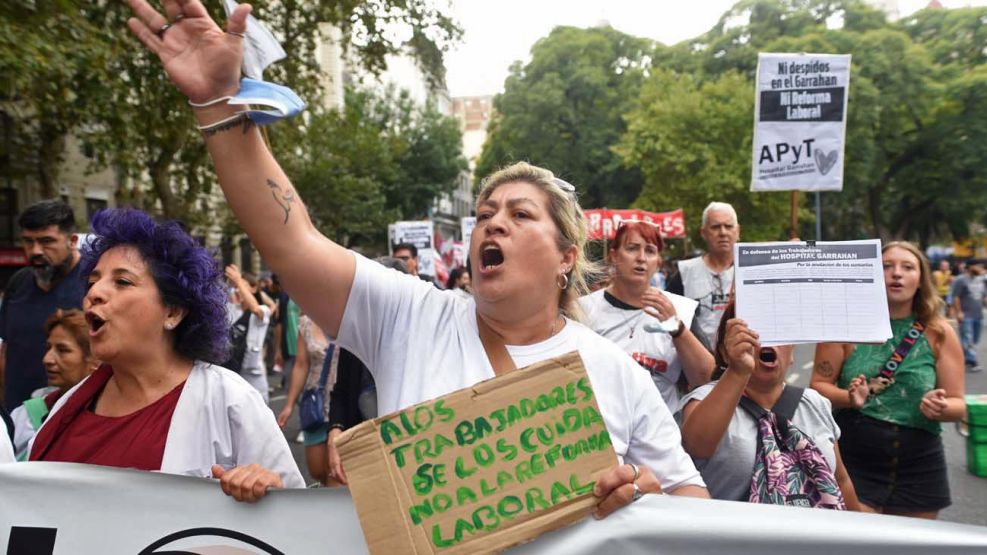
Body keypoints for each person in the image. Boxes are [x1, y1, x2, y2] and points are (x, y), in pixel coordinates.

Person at [124, 2, 710, 512]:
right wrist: (219, 105)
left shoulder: (614, 372)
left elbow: (693, 500)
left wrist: (641, 495)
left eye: (520, 215)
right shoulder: (411, 316)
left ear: (566, 258)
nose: (493, 223)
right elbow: (291, 241)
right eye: (485, 213)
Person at [28, 208, 303, 501]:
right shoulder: (66, 408)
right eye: (93, 281)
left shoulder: (231, 401)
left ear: (172, 312)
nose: (94, 293)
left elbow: (296, 516)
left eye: (122, 282)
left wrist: (269, 490)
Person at [811, 241, 965, 519]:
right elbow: (818, 386)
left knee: (916, 541)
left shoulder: (940, 332)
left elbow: (958, 405)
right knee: (859, 539)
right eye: (886, 266)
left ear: (921, 279)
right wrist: (849, 398)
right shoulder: (843, 325)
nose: (897, 273)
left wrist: (941, 408)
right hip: (855, 457)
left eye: (908, 267)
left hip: (920, 462)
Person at [679, 303, 859, 509]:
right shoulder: (704, 400)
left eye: (778, 335)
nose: (766, 343)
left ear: (792, 353)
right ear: (725, 350)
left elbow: (840, 480)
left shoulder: (815, 404)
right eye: (752, 334)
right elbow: (697, 447)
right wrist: (738, 371)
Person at [580, 220, 714, 411]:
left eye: (650, 251)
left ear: (658, 262)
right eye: (632, 248)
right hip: (603, 421)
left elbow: (706, 378)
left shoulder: (680, 309)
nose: (641, 258)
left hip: (662, 424)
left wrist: (678, 330)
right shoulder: (584, 310)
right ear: (613, 256)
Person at [0, 200, 86, 411]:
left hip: (73, 413)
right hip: (17, 413)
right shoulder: (18, 283)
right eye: (28, 242)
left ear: (72, 241)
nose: (36, 250)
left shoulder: (93, 284)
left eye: (46, 241)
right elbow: (6, 349)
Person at [11, 309, 98, 460]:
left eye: (62, 350)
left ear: (95, 360)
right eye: (48, 348)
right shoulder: (25, 417)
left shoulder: (109, 418)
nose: (47, 359)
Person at [276, 312, 338, 484]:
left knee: (335, 470)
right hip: (315, 401)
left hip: (344, 400)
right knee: (316, 469)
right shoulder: (306, 323)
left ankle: (335, 497)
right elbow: (301, 364)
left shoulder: (349, 318)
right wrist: (289, 405)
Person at [666, 201, 739, 347]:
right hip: (694, 358)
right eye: (716, 227)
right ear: (704, 233)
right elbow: (668, 320)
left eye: (728, 226)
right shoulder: (685, 273)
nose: (723, 232)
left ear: (737, 231)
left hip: (743, 357)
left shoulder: (751, 271)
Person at [225, 264, 276, 403]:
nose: (238, 290)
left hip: (254, 376)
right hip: (233, 372)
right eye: (236, 287)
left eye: (242, 286)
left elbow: (255, 308)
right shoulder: (232, 310)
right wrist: (231, 283)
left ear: (253, 289)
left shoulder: (262, 311)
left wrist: (238, 280)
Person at [950, 259, 986, 372]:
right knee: (967, 338)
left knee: (975, 339)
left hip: (978, 314)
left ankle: (964, 357)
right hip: (966, 314)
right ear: (970, 267)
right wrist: (959, 312)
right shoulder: (960, 280)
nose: (981, 269)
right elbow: (955, 297)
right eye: (978, 266)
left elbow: (983, 297)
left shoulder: (981, 280)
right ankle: (972, 361)